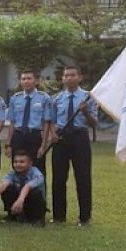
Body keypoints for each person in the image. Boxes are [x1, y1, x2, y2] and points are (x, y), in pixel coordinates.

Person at [50, 66, 97, 226]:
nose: (69, 78)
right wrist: (53, 134)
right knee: (58, 178)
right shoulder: (57, 99)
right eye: (66, 76)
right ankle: (58, 216)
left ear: (79, 77)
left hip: (79, 137)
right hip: (61, 139)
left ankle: (84, 218)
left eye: (72, 75)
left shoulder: (88, 98)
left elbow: (94, 123)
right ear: (62, 79)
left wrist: (85, 112)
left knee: (83, 177)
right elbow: (52, 121)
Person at [5, 70, 52, 192]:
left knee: (39, 169)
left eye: (29, 78)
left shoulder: (44, 98)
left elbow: (46, 123)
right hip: (18, 137)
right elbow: (12, 123)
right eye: (23, 79)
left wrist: (43, 145)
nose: (26, 81)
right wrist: (9, 144)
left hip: (34, 137)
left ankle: (39, 205)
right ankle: (18, 203)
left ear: (36, 81)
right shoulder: (15, 98)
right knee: (18, 169)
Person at [0, 150, 47, 226]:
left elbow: (27, 187)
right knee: (7, 189)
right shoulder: (12, 174)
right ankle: (12, 215)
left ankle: (38, 219)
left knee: (35, 192)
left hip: (34, 204)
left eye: (22, 162)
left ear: (30, 163)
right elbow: (3, 185)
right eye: (15, 162)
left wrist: (20, 201)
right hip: (19, 202)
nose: (18, 164)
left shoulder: (37, 174)